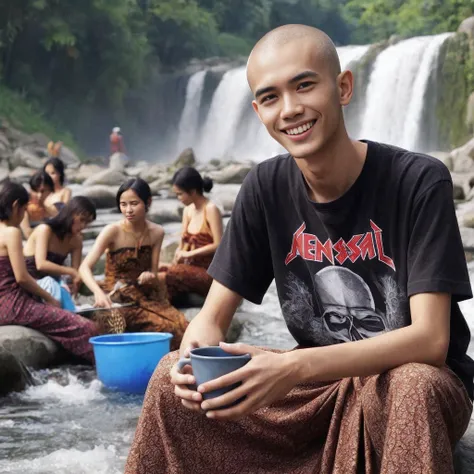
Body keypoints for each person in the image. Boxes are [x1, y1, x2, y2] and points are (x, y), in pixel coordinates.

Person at [125, 24, 474, 474]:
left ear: (343, 87)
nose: (290, 110)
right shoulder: (265, 188)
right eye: (270, 98)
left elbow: (430, 340)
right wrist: (193, 363)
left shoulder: (418, 181)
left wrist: (293, 368)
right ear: (257, 110)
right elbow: (210, 322)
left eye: (304, 85)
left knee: (412, 387)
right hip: (317, 383)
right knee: (167, 377)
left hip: (409, 379)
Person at [79, 178, 188, 349]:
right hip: (114, 296)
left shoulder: (157, 232)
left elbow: (152, 272)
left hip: (143, 294)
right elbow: (84, 268)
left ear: (148, 202)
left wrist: (150, 276)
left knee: (180, 327)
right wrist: (98, 293)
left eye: (134, 203)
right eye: (123, 204)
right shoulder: (112, 231)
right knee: (116, 325)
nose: (128, 210)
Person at [0, 181, 96, 363]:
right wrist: (50, 299)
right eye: (24, 210)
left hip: (9, 304)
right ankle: (101, 371)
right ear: (15, 207)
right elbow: (21, 277)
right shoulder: (11, 232)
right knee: (87, 328)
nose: (23, 217)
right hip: (13, 305)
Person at [23, 196, 97, 311]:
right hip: (30, 284)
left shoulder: (77, 241)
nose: (83, 226)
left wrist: (75, 284)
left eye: (87, 222)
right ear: (70, 213)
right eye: (81, 220)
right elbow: (41, 264)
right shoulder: (45, 230)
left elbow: (76, 274)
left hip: (54, 287)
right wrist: (71, 272)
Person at [160, 167, 223, 300]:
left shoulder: (211, 209)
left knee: (172, 273)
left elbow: (218, 245)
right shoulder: (187, 210)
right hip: (187, 268)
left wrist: (188, 254)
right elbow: (183, 242)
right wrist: (178, 254)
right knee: (158, 268)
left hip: (207, 273)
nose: (178, 198)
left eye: (180, 194)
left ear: (193, 191)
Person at [20, 171, 58, 238]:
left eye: (43, 191)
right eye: (35, 191)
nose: (39, 195)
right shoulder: (23, 209)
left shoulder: (51, 209)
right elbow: (27, 233)